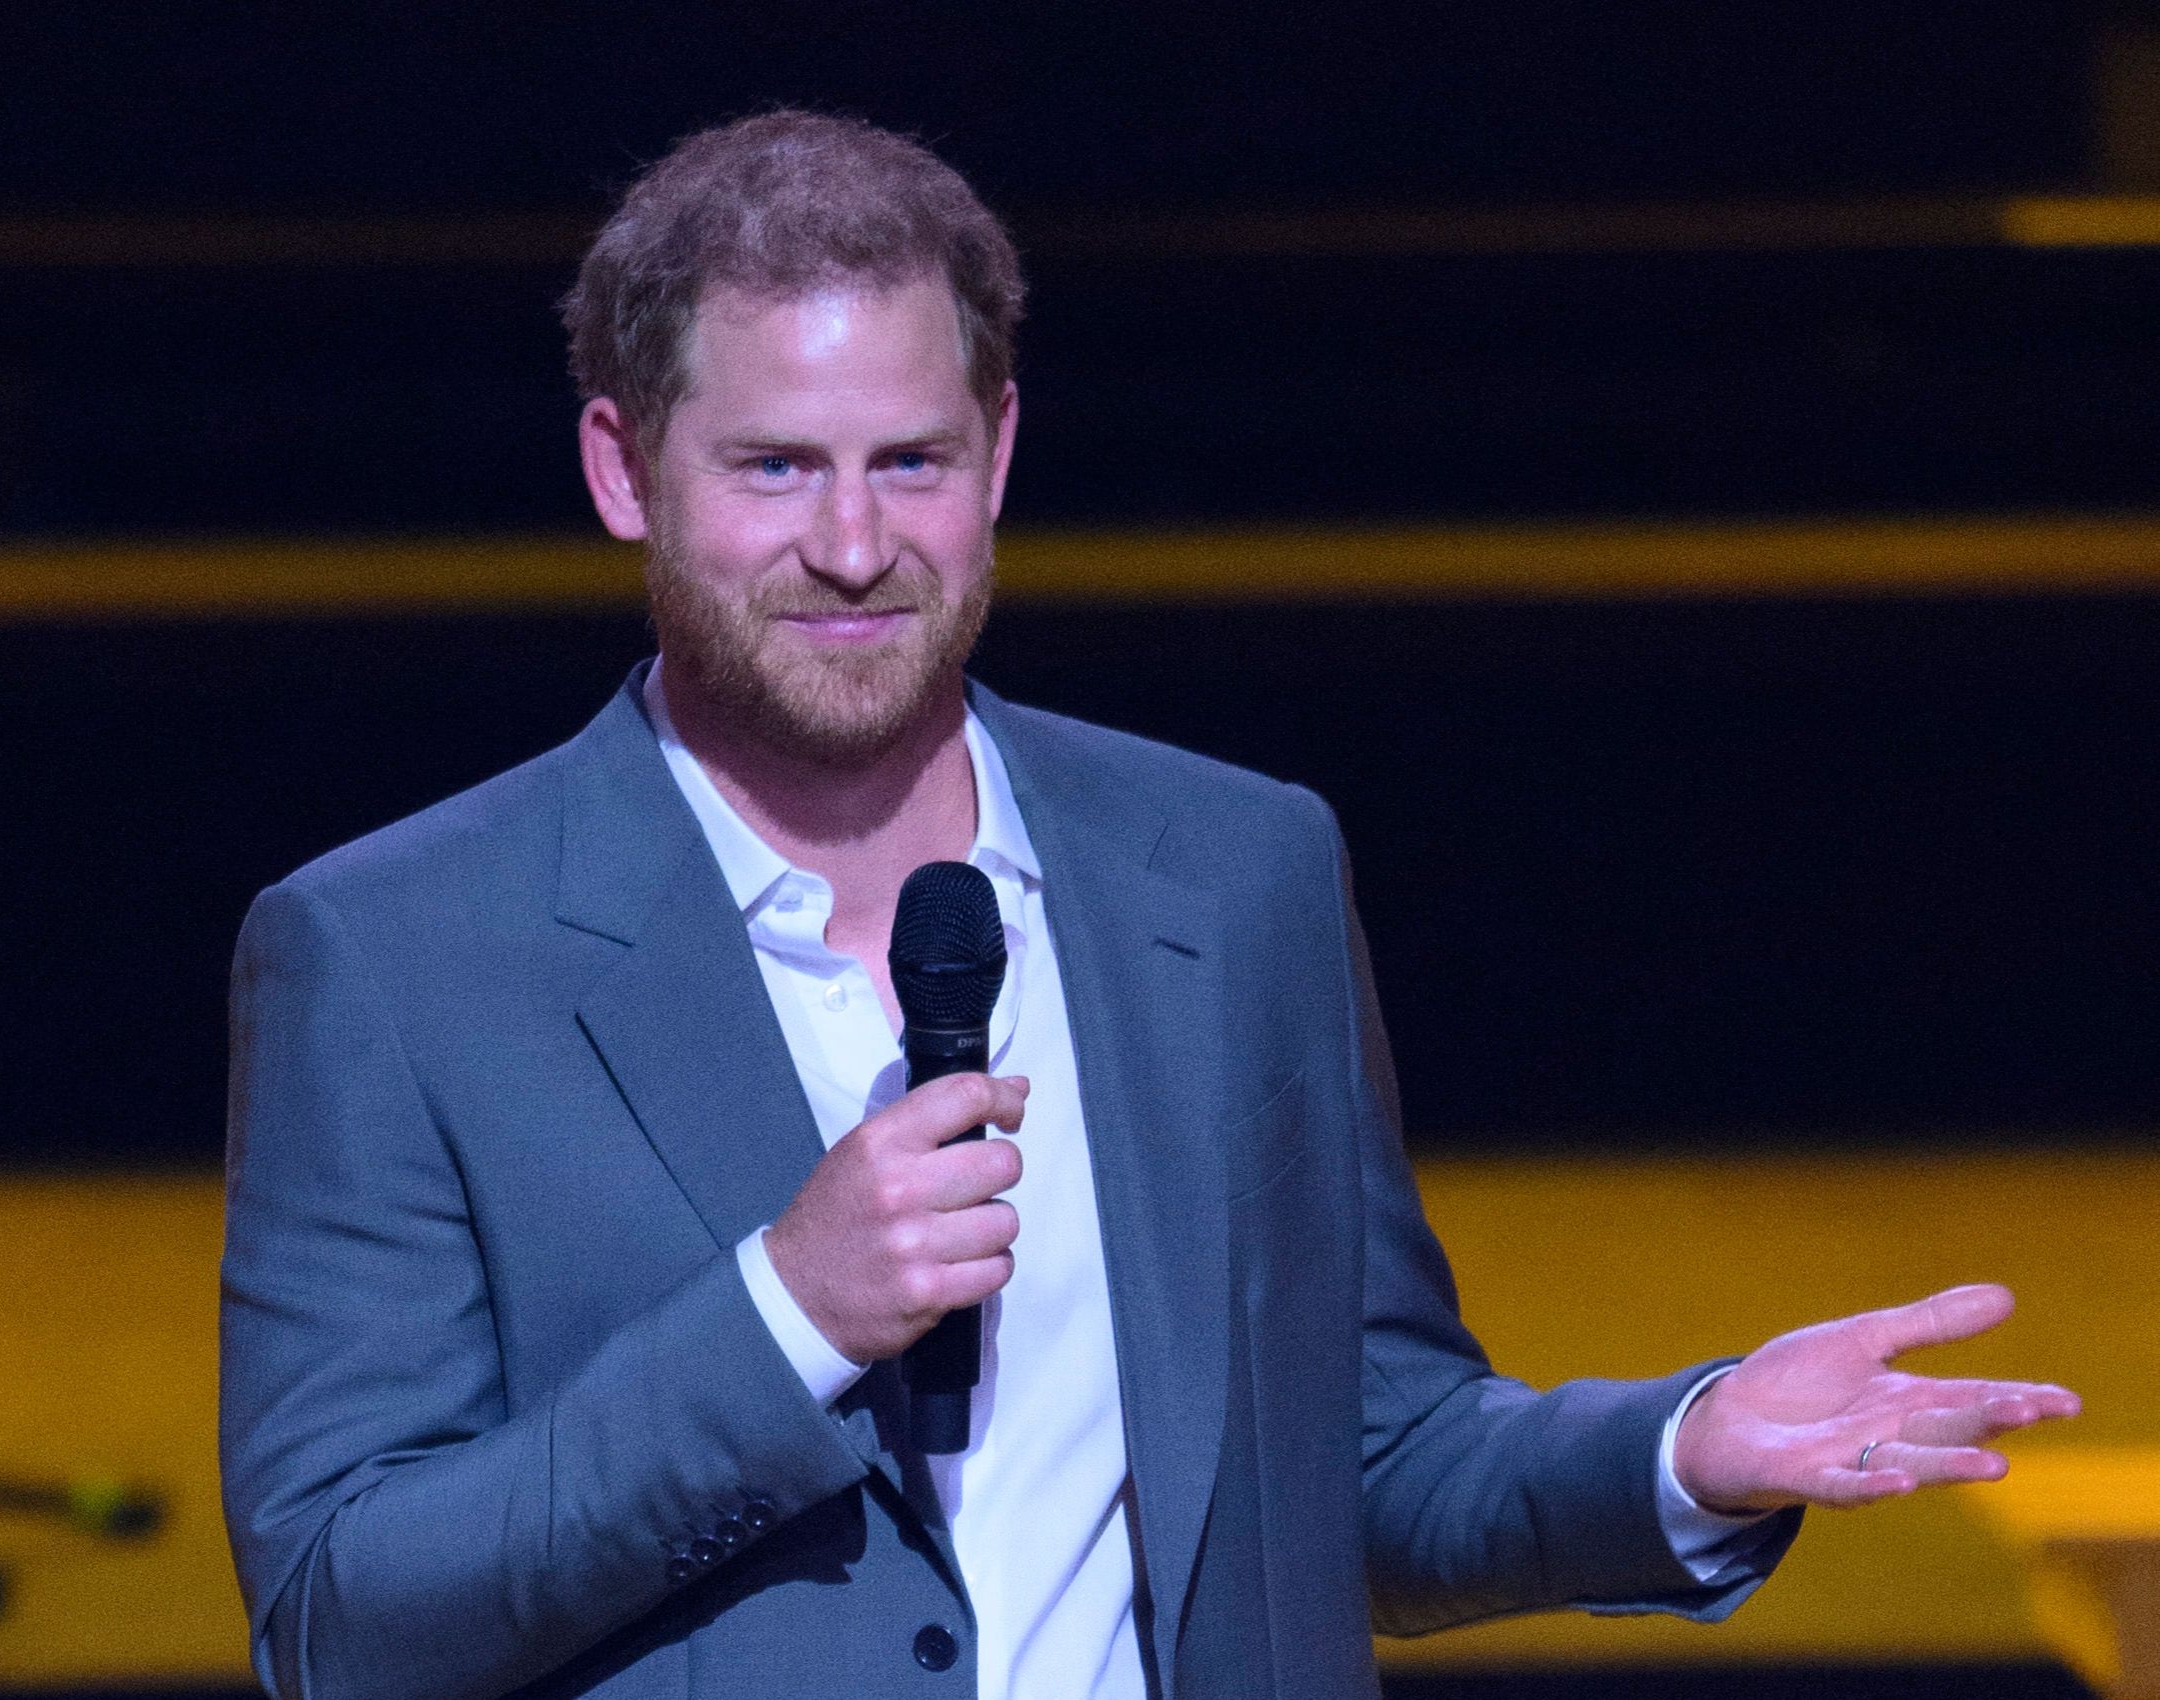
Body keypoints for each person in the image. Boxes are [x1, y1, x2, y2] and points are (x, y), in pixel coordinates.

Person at [218, 111, 2078, 1700]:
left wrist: (1684, 1453)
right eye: (776, 466)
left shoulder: (1234, 876)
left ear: (1001, 454)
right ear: (624, 469)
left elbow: (1355, 1465)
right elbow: (339, 1618)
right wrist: (784, 1315)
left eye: (912, 462)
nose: (855, 544)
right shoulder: (394, 958)